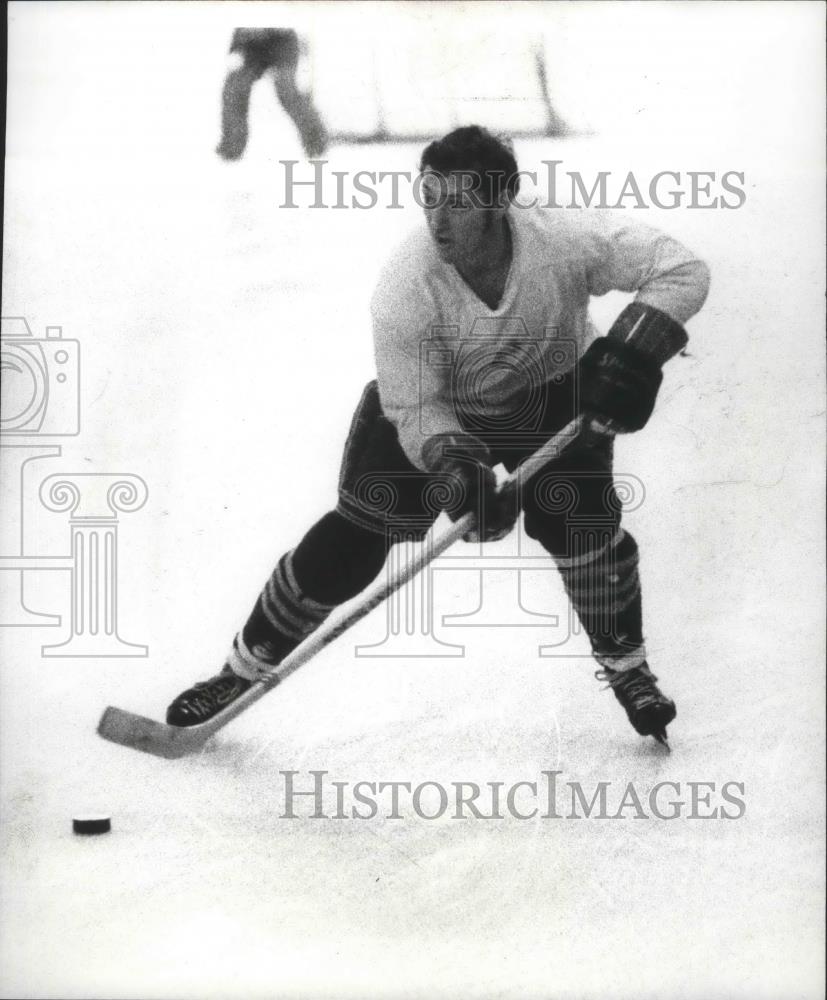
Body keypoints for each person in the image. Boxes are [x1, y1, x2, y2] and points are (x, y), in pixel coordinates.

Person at [168, 126, 710, 744]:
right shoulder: (407, 283)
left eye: (456, 201)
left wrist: (631, 353)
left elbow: (681, 270)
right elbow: (412, 401)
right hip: (440, 410)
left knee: (584, 531)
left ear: (499, 200)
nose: (437, 218)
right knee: (355, 537)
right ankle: (241, 668)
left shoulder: (564, 238)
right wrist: (455, 467)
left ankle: (628, 670)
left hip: (555, 398)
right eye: (429, 196)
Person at [216, 28, 328, 160]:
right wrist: (236, 49)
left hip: (283, 44)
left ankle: (316, 143)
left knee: (286, 88)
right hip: (251, 48)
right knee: (235, 86)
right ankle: (231, 148)